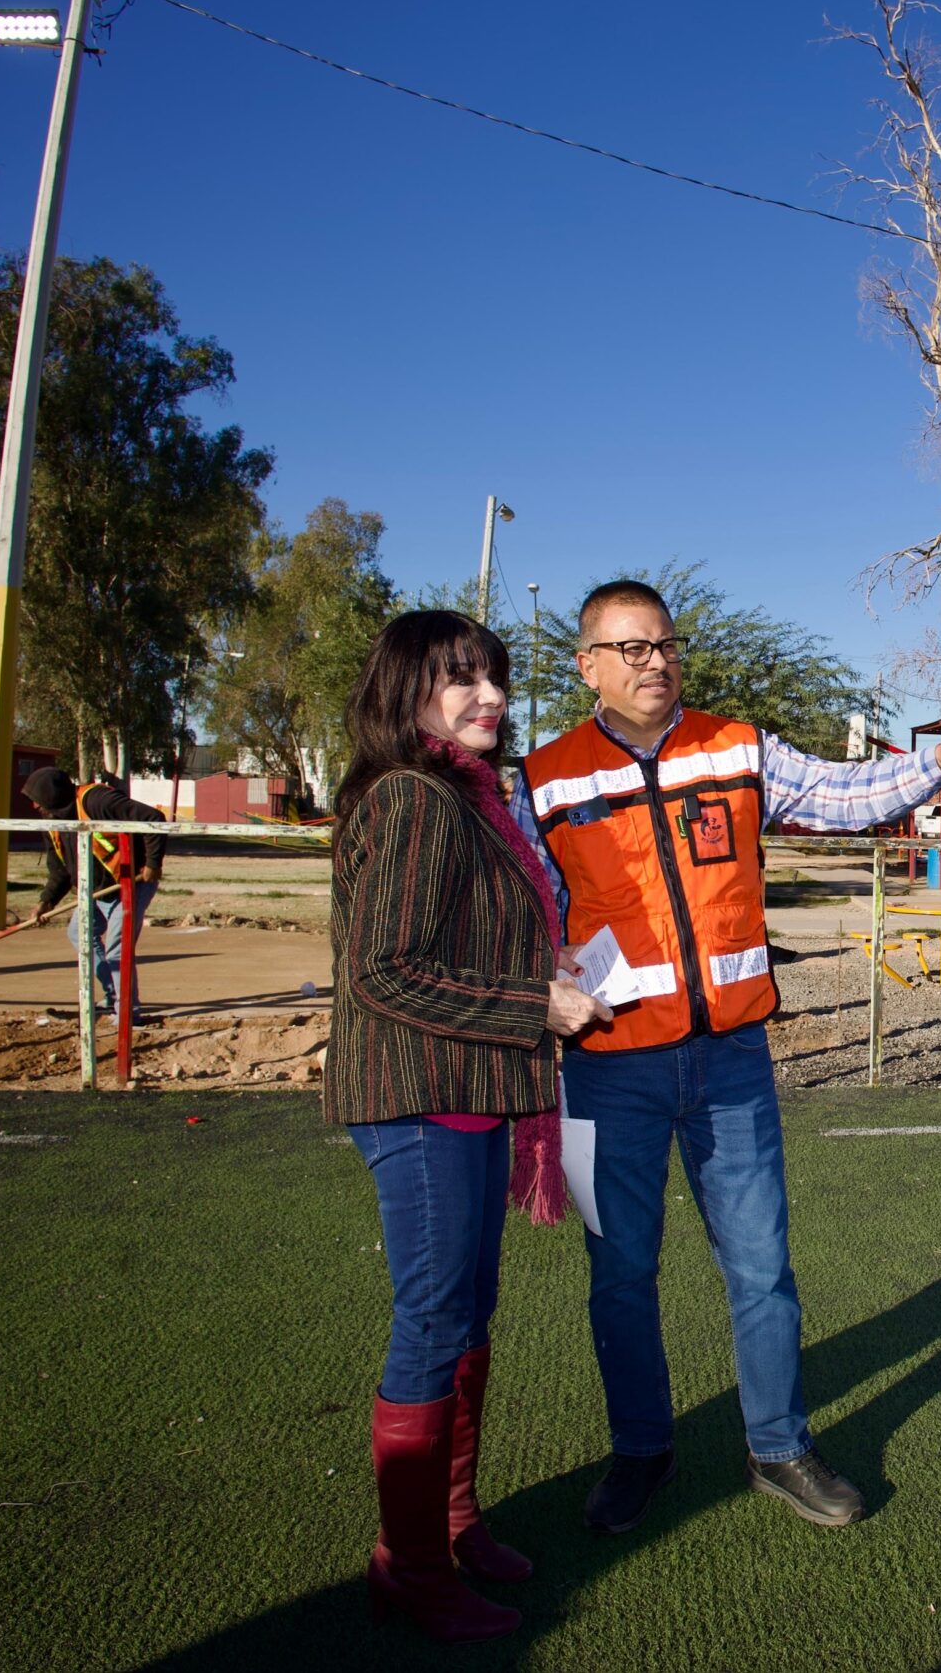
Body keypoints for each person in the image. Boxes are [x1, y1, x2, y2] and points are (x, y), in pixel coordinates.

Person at [512, 578, 941, 1535]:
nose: (655, 662)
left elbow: (845, 795)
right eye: (630, 649)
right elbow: (520, 912)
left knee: (761, 1267)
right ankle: (640, 1451)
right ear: (587, 665)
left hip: (731, 1065)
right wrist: (539, 983)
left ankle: (779, 1446)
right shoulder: (544, 778)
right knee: (619, 1274)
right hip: (604, 1070)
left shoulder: (736, 746)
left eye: (664, 644)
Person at [323, 609, 612, 1643]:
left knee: (467, 1318)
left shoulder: (467, 797)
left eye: (493, 677)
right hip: (420, 1094)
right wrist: (532, 1005)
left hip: (470, 1088)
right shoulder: (410, 797)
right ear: (409, 692)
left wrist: (543, 974)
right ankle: (411, 1564)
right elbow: (383, 970)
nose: (488, 695)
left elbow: (457, 944)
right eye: (461, 680)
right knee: (435, 1322)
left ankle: (451, 1522)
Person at [22, 767, 165, 1021]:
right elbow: (60, 871)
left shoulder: (96, 800)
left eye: (37, 798)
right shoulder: (53, 822)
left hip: (130, 883)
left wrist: (153, 864)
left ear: (52, 794)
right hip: (96, 891)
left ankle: (127, 1015)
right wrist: (46, 901)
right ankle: (114, 996)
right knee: (80, 933)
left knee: (117, 951)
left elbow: (153, 818)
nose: (34, 805)